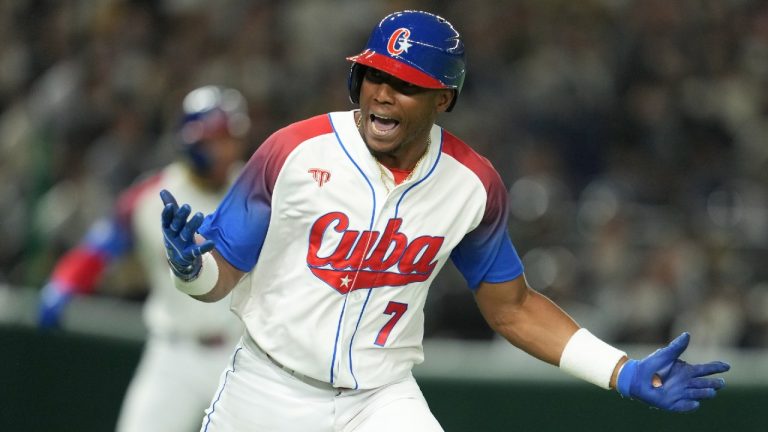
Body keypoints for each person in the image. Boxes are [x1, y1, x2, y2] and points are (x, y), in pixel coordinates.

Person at [159, 11, 731, 432]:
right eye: (375, 76)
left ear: (443, 99)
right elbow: (220, 272)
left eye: (405, 84)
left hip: (379, 401)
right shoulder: (294, 150)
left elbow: (512, 307)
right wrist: (190, 268)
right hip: (268, 387)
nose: (383, 93)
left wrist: (620, 371)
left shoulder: (471, 184)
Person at [38, 85, 250, 432]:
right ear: (191, 141)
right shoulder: (151, 195)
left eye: (231, 139)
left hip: (239, 356)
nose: (226, 149)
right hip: (172, 355)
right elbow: (99, 248)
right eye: (216, 140)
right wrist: (64, 282)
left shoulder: (255, 189)